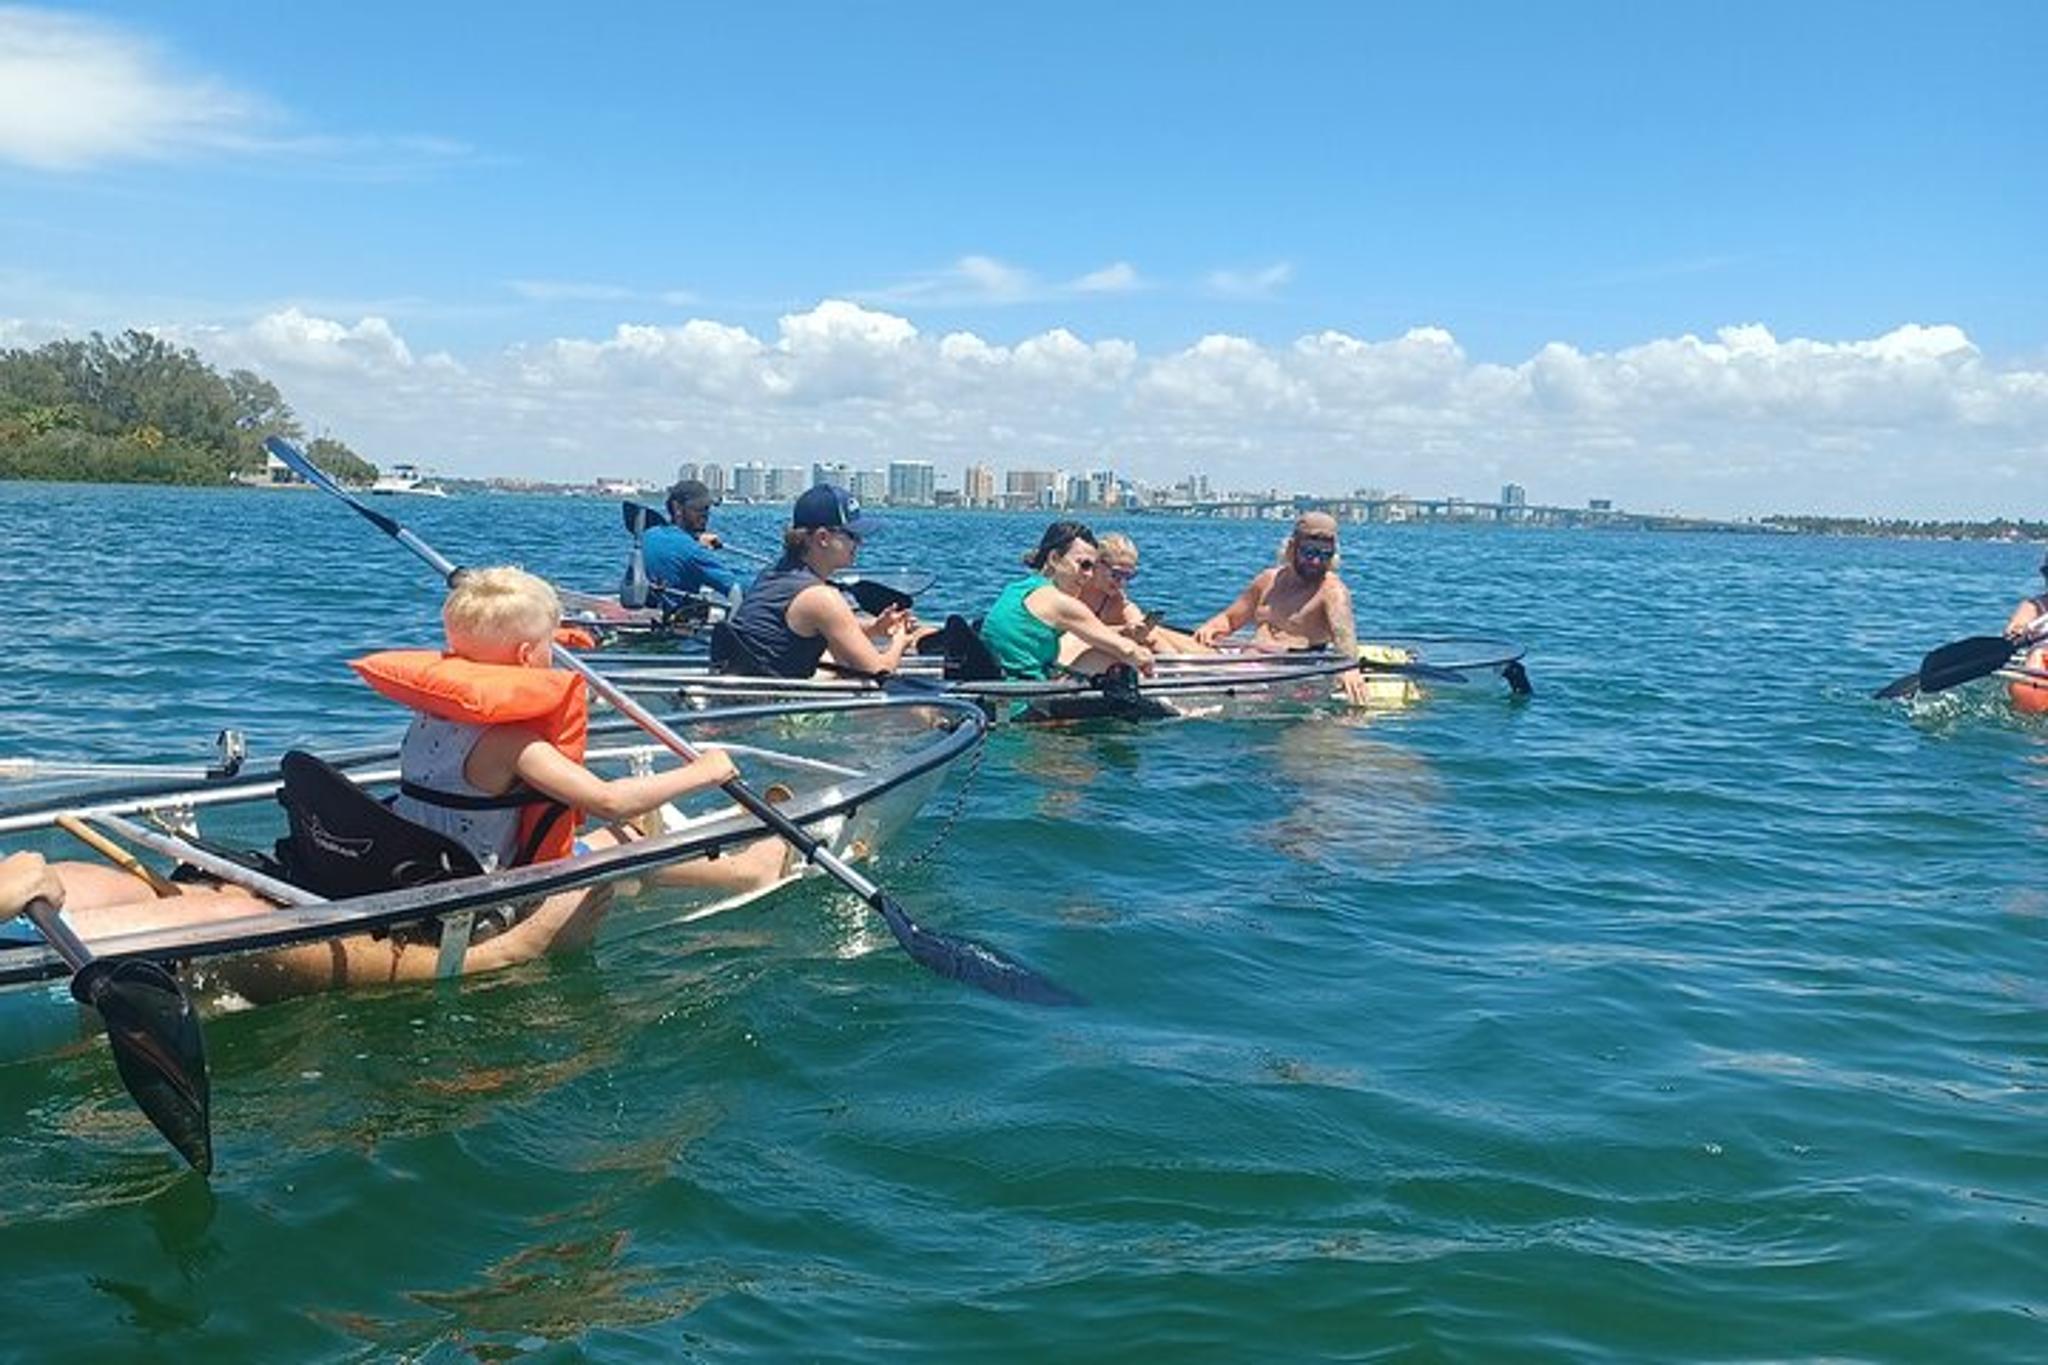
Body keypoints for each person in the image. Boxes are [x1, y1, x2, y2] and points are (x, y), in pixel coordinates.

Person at [3, 567, 789, 1005]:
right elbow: (613, 800)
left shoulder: (434, 716)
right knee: (614, 837)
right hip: (476, 886)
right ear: (525, 659)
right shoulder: (514, 735)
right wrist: (708, 769)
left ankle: (744, 864)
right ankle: (753, 864)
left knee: (599, 841)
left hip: (410, 852)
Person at [717, 485, 922, 678]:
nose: (860, 543)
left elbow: (819, 626)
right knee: (925, 710)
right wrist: (900, 641)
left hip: (748, 700)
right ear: (823, 537)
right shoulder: (821, 598)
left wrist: (875, 629)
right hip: (776, 709)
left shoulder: (775, 574)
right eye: (852, 535)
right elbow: (880, 673)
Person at [1192, 511, 1373, 705]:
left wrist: (1349, 669)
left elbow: (1344, 638)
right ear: (1292, 547)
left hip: (1282, 674)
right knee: (1157, 636)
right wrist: (1210, 628)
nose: (1316, 562)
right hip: (1244, 658)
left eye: (1325, 555)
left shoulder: (1332, 592)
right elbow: (1230, 619)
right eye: (1309, 553)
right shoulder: (1268, 580)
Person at [980, 522, 1156, 679]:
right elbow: (1127, 650)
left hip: (999, 689)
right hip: (1026, 703)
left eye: (1093, 567)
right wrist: (1144, 657)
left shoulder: (1016, 589)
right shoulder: (1060, 603)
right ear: (1054, 559)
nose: (1089, 575)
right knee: (1116, 660)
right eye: (1084, 565)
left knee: (1097, 656)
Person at [1067, 532, 1209, 661]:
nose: (1122, 583)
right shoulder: (1073, 589)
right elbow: (1073, 634)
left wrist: (1139, 629)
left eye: (1128, 576)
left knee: (1153, 635)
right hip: (1069, 652)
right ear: (1096, 564)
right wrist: (1122, 631)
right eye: (1116, 574)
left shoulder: (1114, 597)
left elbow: (1134, 617)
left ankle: (1194, 664)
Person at [636, 479, 741, 605]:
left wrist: (694, 539)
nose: (705, 515)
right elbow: (736, 589)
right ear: (677, 508)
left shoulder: (649, 534)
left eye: (707, 508)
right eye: (699, 509)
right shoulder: (692, 551)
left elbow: (673, 544)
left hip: (652, 610)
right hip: (677, 620)